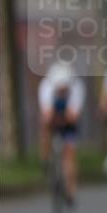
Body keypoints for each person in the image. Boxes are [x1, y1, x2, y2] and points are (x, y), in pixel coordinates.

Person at [38, 62, 86, 205]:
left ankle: (71, 191)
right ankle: (45, 158)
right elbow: (46, 114)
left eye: (64, 89)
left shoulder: (77, 88)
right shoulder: (45, 87)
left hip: (68, 122)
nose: (62, 91)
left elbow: (73, 116)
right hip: (53, 118)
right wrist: (52, 117)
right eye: (59, 89)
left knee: (70, 153)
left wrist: (66, 118)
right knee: (44, 128)